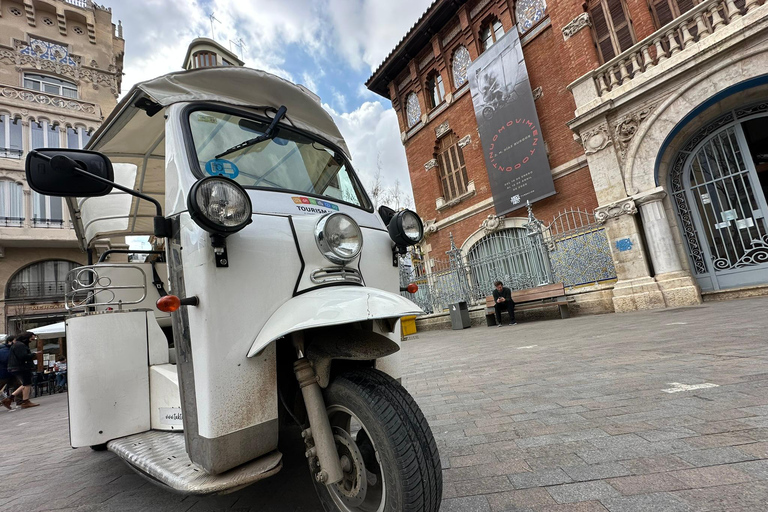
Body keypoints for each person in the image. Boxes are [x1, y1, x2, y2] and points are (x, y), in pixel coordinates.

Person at [7, 332, 39, 409]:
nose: (32, 340)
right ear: (27, 338)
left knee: (25, 383)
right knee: (27, 383)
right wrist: (34, 354)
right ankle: (25, 401)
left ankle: (10, 398)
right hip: (21, 367)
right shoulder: (20, 345)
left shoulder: (17, 345)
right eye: (32, 338)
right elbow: (23, 356)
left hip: (16, 367)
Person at [0, 335, 19, 409]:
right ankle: (6, 400)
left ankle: (19, 401)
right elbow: (6, 360)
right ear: (9, 342)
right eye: (15, 341)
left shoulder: (11, 349)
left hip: (12, 372)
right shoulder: (3, 350)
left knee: (19, 385)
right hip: (3, 372)